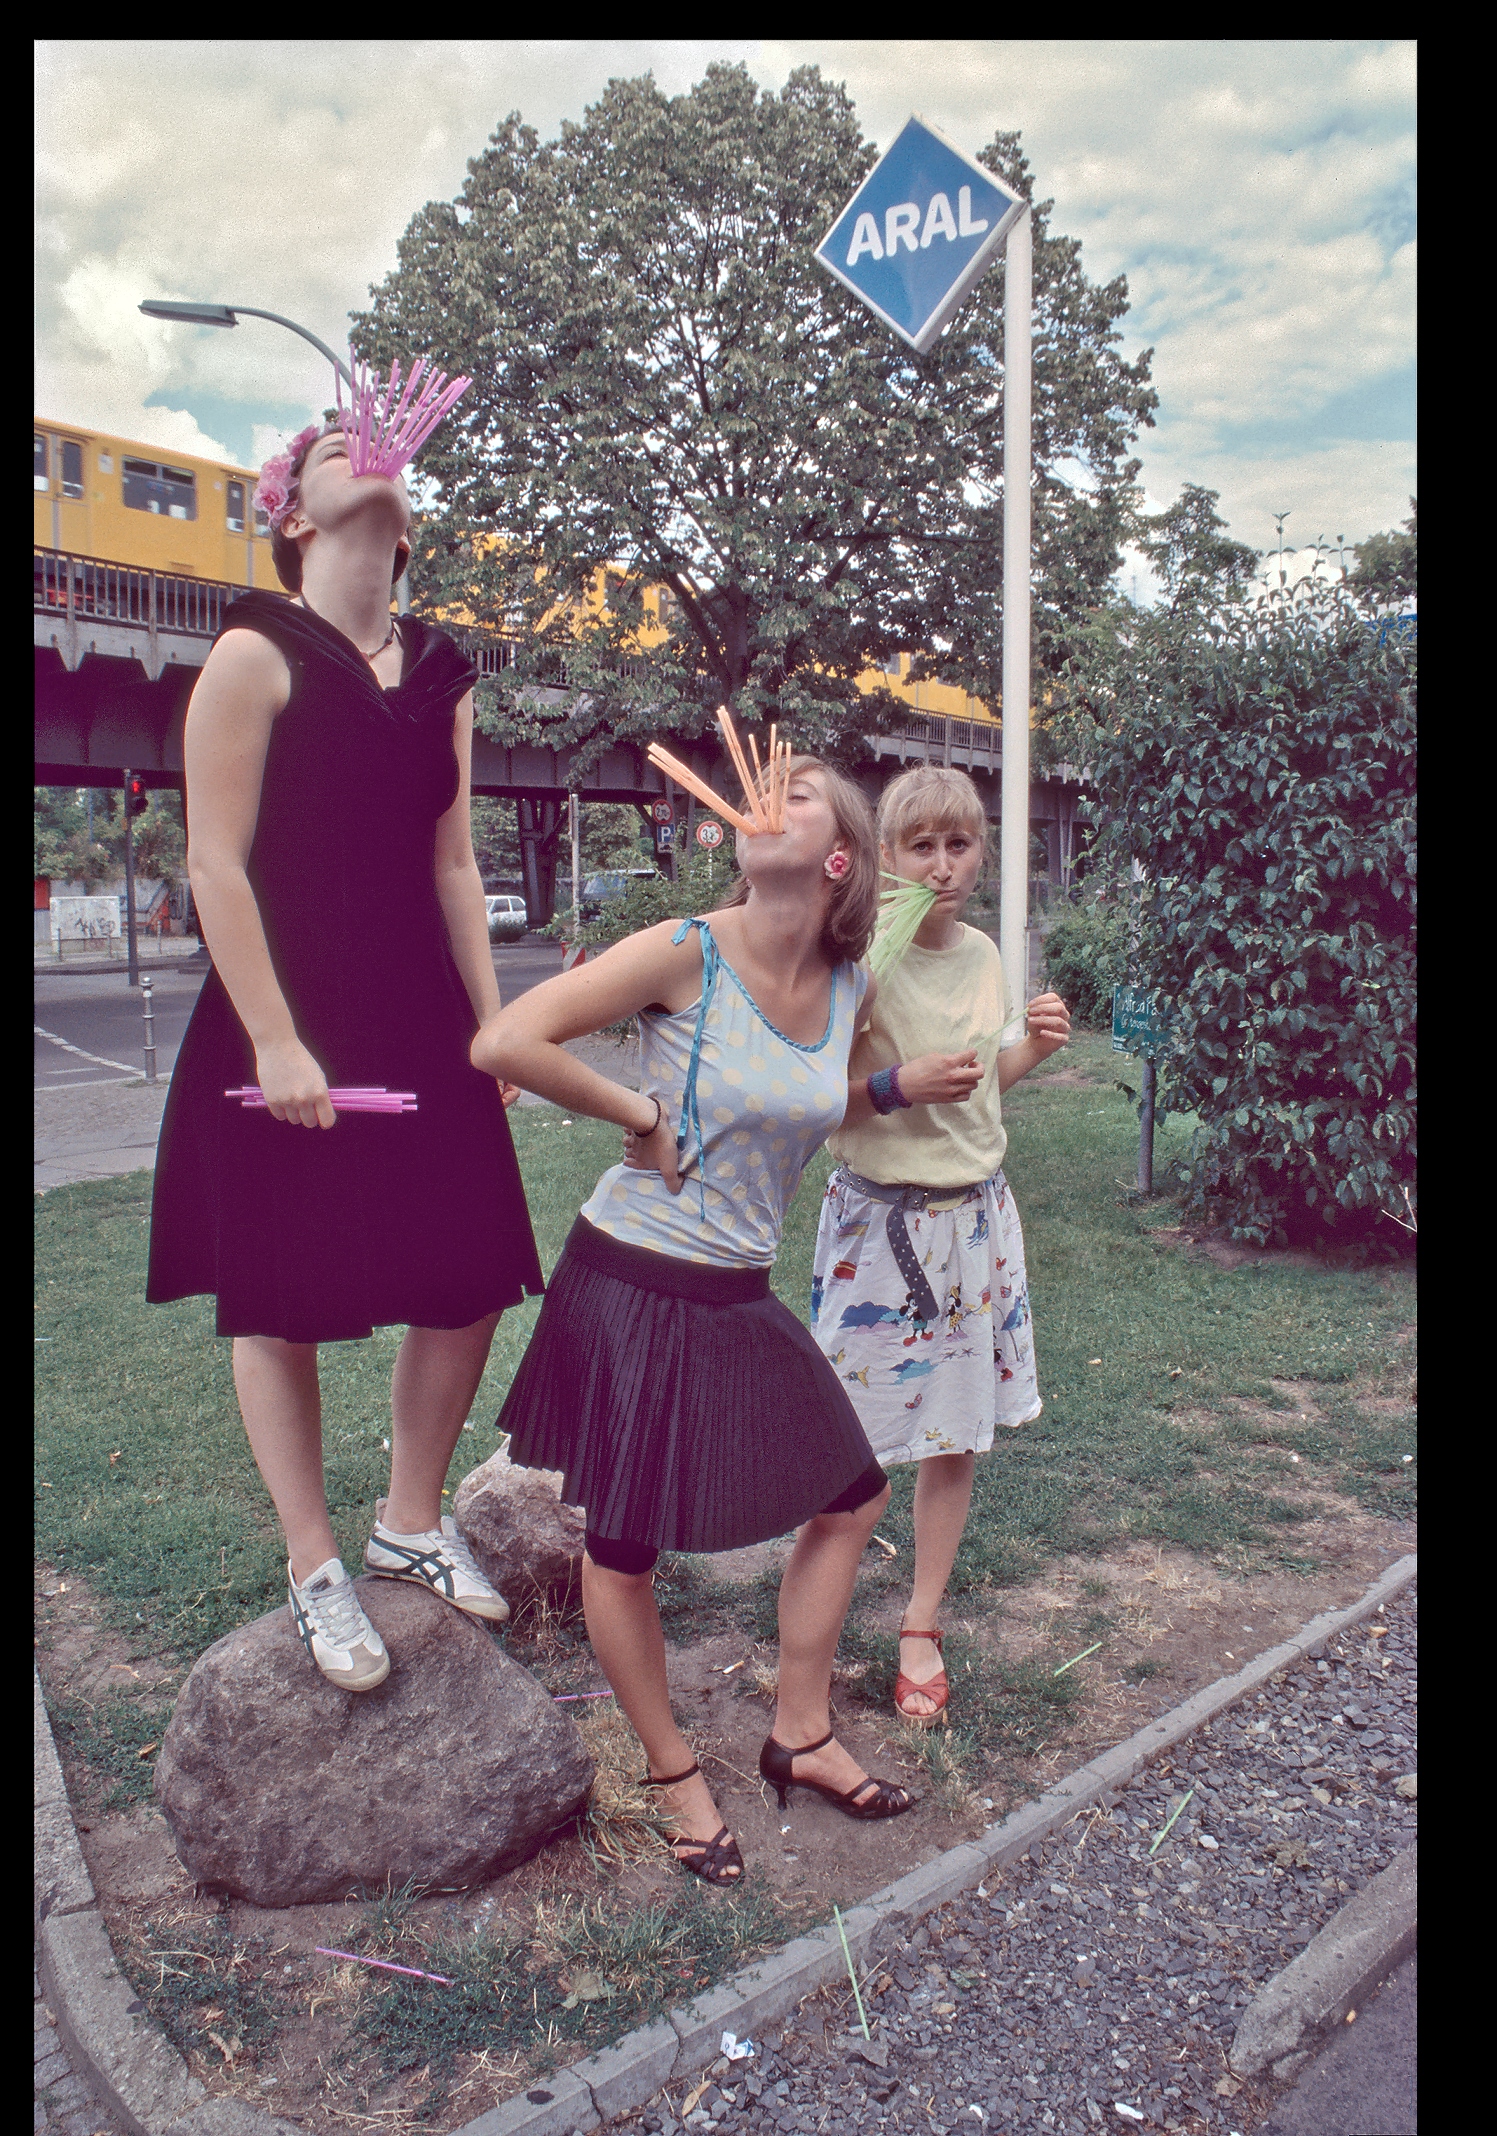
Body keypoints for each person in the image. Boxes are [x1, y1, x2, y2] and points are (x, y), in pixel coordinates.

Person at [147, 417, 543, 1693]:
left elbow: (454, 862)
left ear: (404, 518)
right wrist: (275, 1035)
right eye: (329, 453)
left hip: (422, 1012)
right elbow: (213, 862)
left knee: (474, 1264)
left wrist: (493, 1024)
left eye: (376, 449)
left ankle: (411, 1522)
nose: (363, 453)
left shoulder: (444, 672)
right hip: (282, 1013)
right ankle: (315, 1563)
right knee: (277, 1294)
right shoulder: (253, 654)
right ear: (297, 517)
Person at [472, 759, 916, 1885]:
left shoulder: (851, 988)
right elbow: (507, 1042)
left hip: (734, 1284)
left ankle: (799, 1733)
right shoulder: (691, 948)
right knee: (624, 1547)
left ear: (836, 859)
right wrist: (635, 1111)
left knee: (852, 1496)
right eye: (761, 791)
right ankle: (673, 1771)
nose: (767, 796)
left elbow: (814, 1102)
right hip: (631, 1274)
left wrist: (908, 1091)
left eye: (802, 793)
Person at [810, 766, 1071, 1725]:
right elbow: (798, 1098)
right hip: (877, 1230)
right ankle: (818, 1620)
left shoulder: (985, 957)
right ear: (887, 857)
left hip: (974, 1222)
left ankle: (920, 1621)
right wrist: (891, 1088)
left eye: (958, 844)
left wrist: (1032, 1047)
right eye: (920, 846)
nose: (942, 864)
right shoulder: (856, 959)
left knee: (953, 1437)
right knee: (848, 1443)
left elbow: (983, 1085)